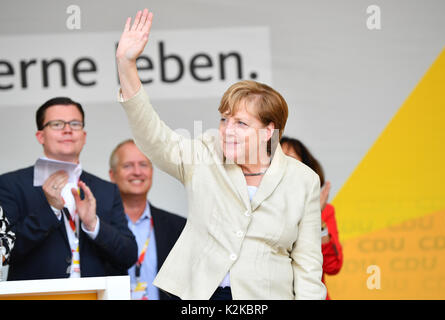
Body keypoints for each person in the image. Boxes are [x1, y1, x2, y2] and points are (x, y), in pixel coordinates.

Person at [115, 9, 326, 300]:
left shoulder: (303, 180)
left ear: (268, 131)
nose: (227, 130)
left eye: (241, 123)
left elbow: (308, 265)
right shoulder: (205, 153)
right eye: (224, 119)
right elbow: (153, 137)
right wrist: (126, 65)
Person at [0, 96, 137, 281]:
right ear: (40, 136)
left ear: (84, 136)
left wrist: (93, 224)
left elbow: (128, 256)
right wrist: (50, 210)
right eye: (57, 124)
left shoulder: (106, 190)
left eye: (74, 124)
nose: (67, 130)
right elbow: (5, 252)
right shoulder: (11, 185)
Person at [109, 139, 186, 300]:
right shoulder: (98, 227)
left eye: (143, 164)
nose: (137, 172)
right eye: (128, 165)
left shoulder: (178, 227)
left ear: (151, 171)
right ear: (112, 175)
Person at [280, 136, 343, 300]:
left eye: (291, 160)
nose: (282, 165)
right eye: (277, 159)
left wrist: (317, 216)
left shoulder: (325, 211)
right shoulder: (256, 204)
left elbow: (333, 266)